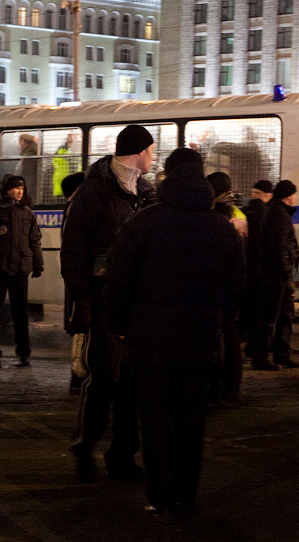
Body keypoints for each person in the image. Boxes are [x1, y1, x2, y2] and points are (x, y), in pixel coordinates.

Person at [105, 147, 245, 522]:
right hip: (199, 345)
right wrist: (218, 323)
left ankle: (159, 495)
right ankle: (186, 493)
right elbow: (236, 288)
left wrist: (120, 328)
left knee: (155, 422)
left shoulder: (142, 224)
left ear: (167, 176)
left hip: (149, 346)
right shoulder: (222, 228)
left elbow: (118, 283)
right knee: (191, 421)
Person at [60, 124, 157, 482]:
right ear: (138, 151)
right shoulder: (94, 191)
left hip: (138, 299)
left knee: (131, 377)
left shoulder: (146, 192)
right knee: (105, 374)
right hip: (103, 297)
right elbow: (73, 252)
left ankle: (123, 453)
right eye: (150, 150)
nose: (152, 156)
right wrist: (81, 302)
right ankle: (86, 439)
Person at [0, 175, 43, 368]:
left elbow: (34, 240)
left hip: (19, 269)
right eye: (16, 188)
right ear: (7, 190)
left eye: (22, 188)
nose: (20, 191)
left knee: (20, 313)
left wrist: (37, 264)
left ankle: (24, 353)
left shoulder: (26, 212)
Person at [251, 179, 299, 371]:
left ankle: (282, 354)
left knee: (284, 315)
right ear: (289, 196)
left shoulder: (276, 211)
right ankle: (262, 357)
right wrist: (286, 270)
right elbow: (279, 245)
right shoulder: (279, 214)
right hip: (277, 275)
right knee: (271, 317)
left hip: (277, 273)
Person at [206, 172, 246, 403]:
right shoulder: (236, 213)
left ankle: (224, 388)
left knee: (224, 340)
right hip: (230, 285)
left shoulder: (221, 216)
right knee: (230, 338)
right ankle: (231, 387)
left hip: (221, 286)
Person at [239, 179, 274, 356]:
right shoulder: (266, 213)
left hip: (243, 266)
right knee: (259, 310)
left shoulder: (243, 211)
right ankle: (254, 348)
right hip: (259, 268)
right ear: (267, 195)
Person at [60, 172, 87, 395]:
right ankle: (77, 378)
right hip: (80, 283)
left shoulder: (74, 208)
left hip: (77, 283)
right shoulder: (75, 210)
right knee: (80, 332)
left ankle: (77, 379)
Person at [16, 133, 40, 206]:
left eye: (19, 141)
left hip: (29, 190)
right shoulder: (29, 152)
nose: (18, 144)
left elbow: (29, 175)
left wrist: (25, 191)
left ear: (22, 142)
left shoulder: (29, 155)